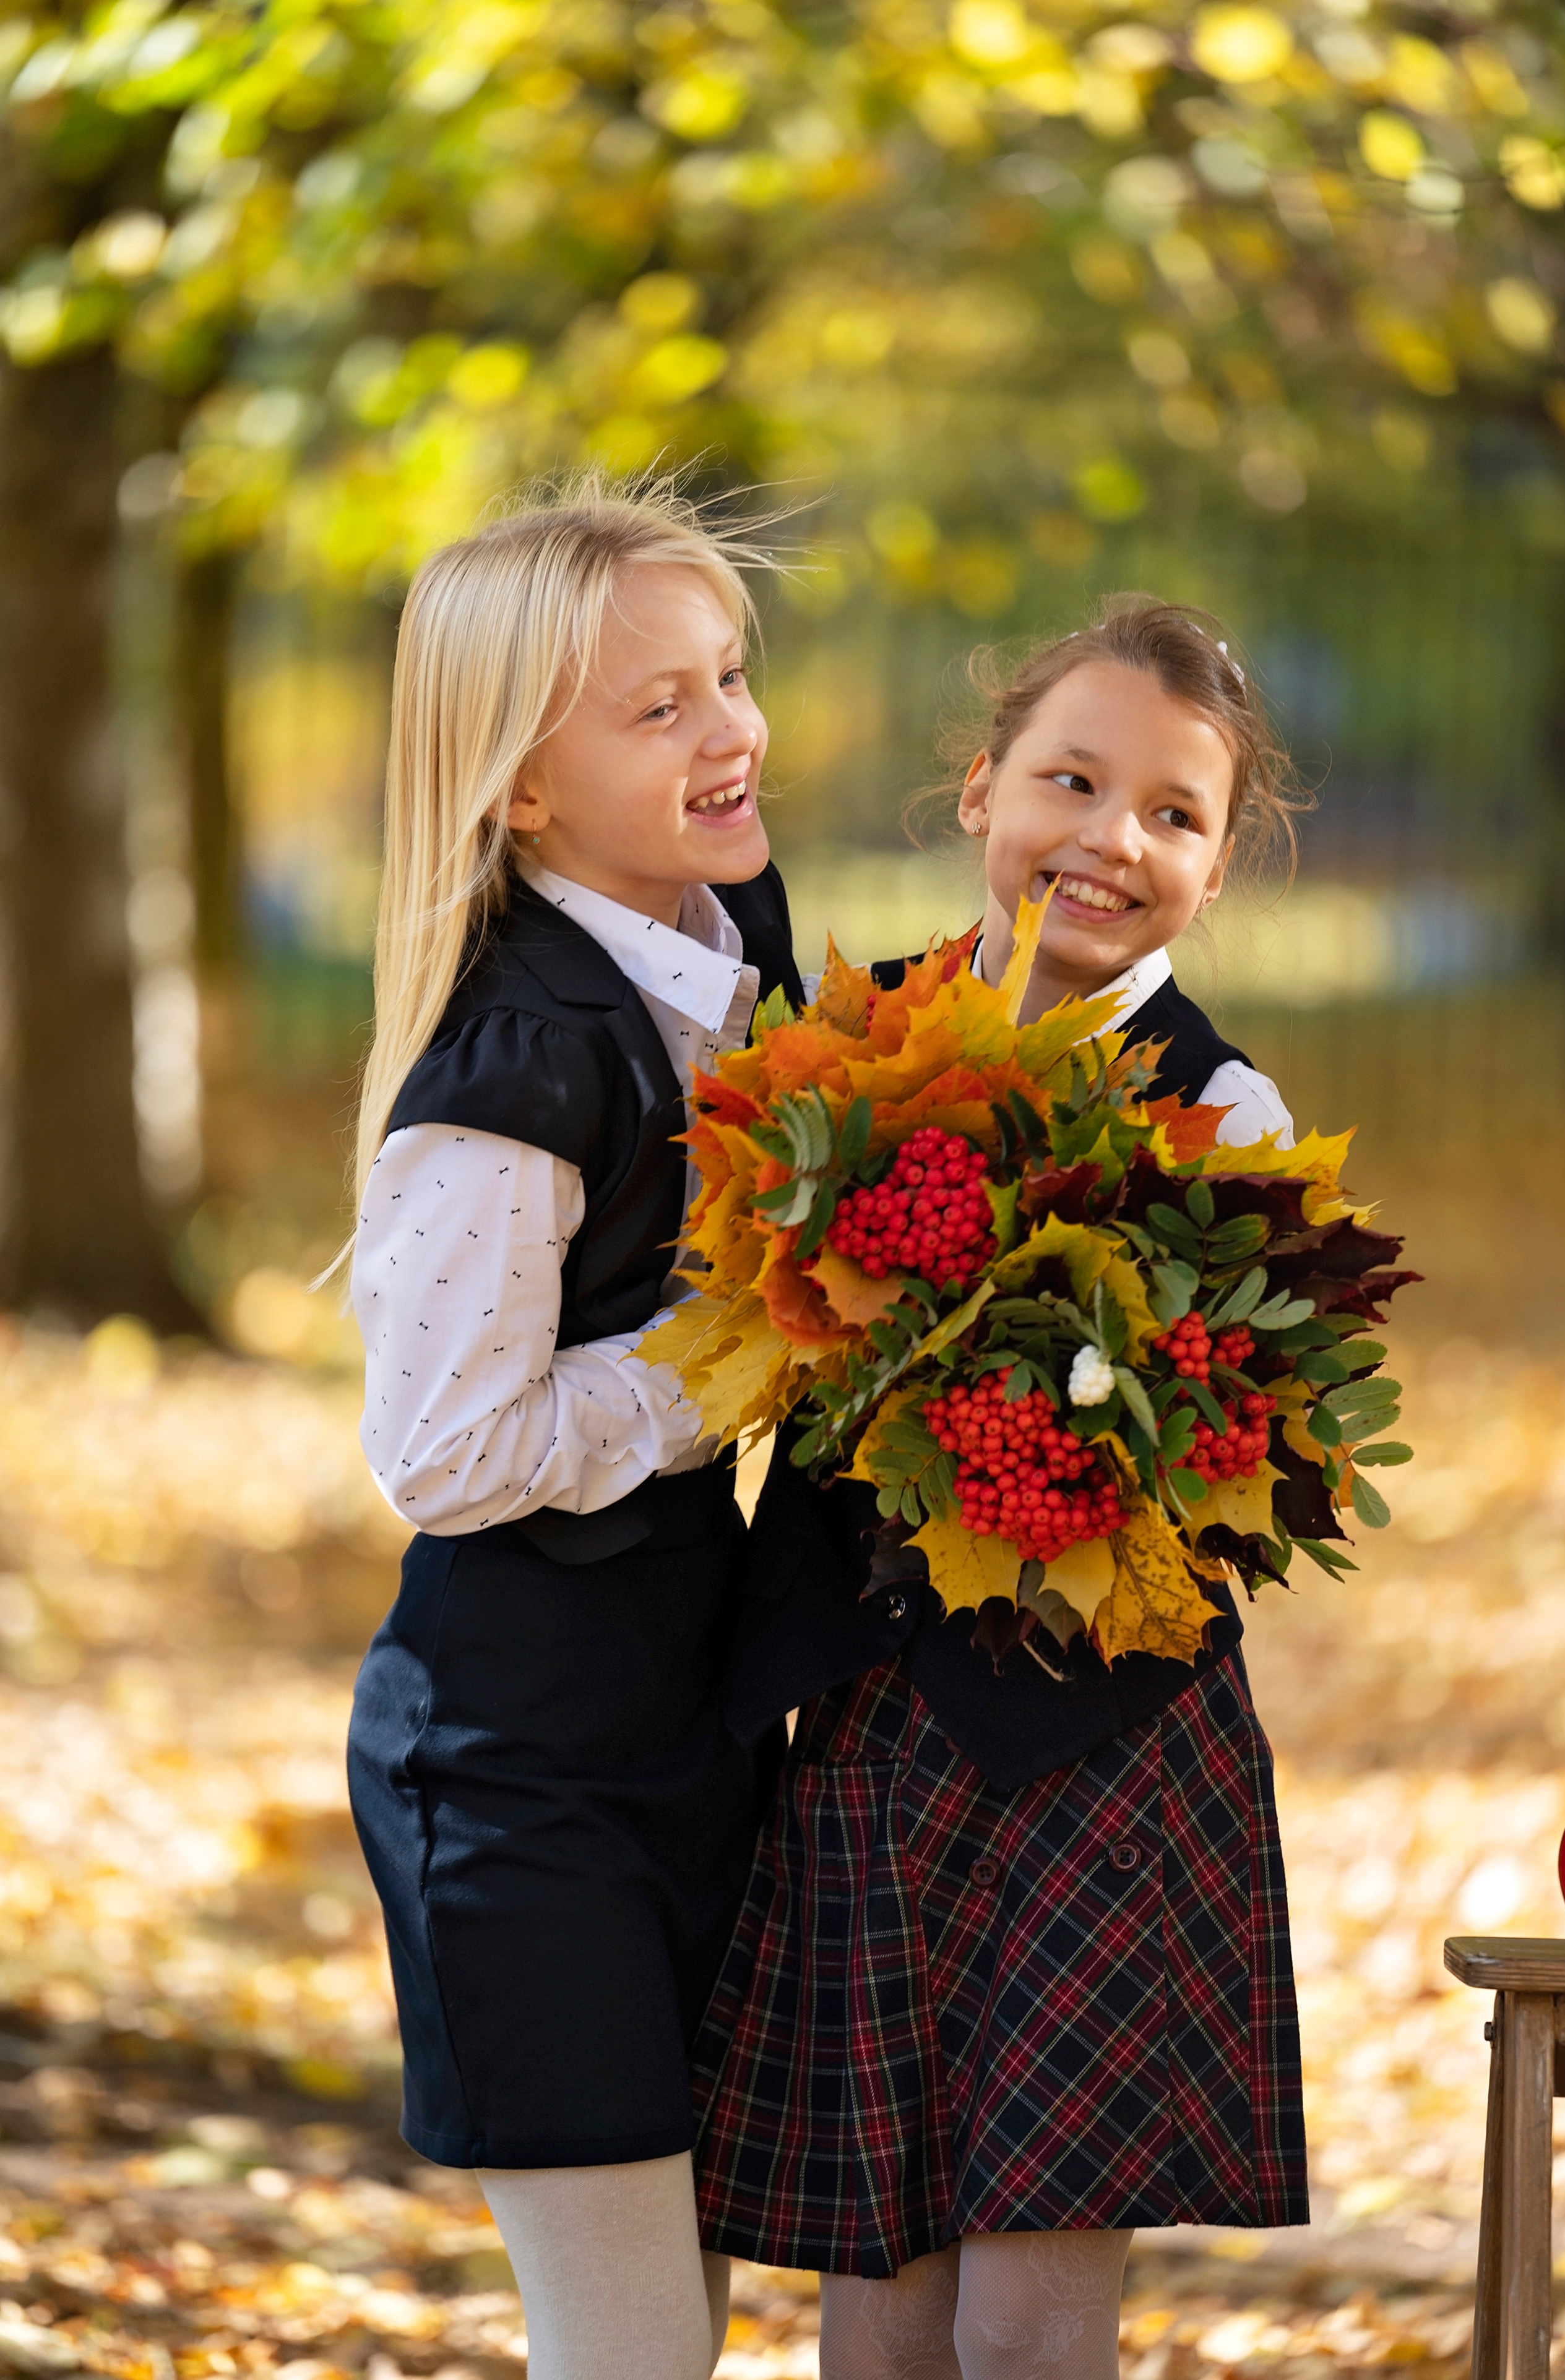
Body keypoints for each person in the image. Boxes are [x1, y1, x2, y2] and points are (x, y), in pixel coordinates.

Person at [692, 597, 1311, 2380]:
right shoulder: (838, 1053)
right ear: (982, 791)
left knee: (1034, 2300)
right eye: (1073, 779)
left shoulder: (1226, 1113)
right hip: (871, 1721)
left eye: (1175, 814)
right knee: (874, 2280)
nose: (1111, 840)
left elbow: (1243, 1454)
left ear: (1216, 864)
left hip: (1102, 1740)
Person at [343, 475, 801, 2380]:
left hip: (691, 1730)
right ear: (521, 793)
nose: (729, 731)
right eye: (659, 707)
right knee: (626, 2350)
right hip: (523, 1780)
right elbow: (442, 1453)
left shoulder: (728, 948)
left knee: (678, 2327)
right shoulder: (516, 1059)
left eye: (729, 676)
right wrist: (724, 1366)